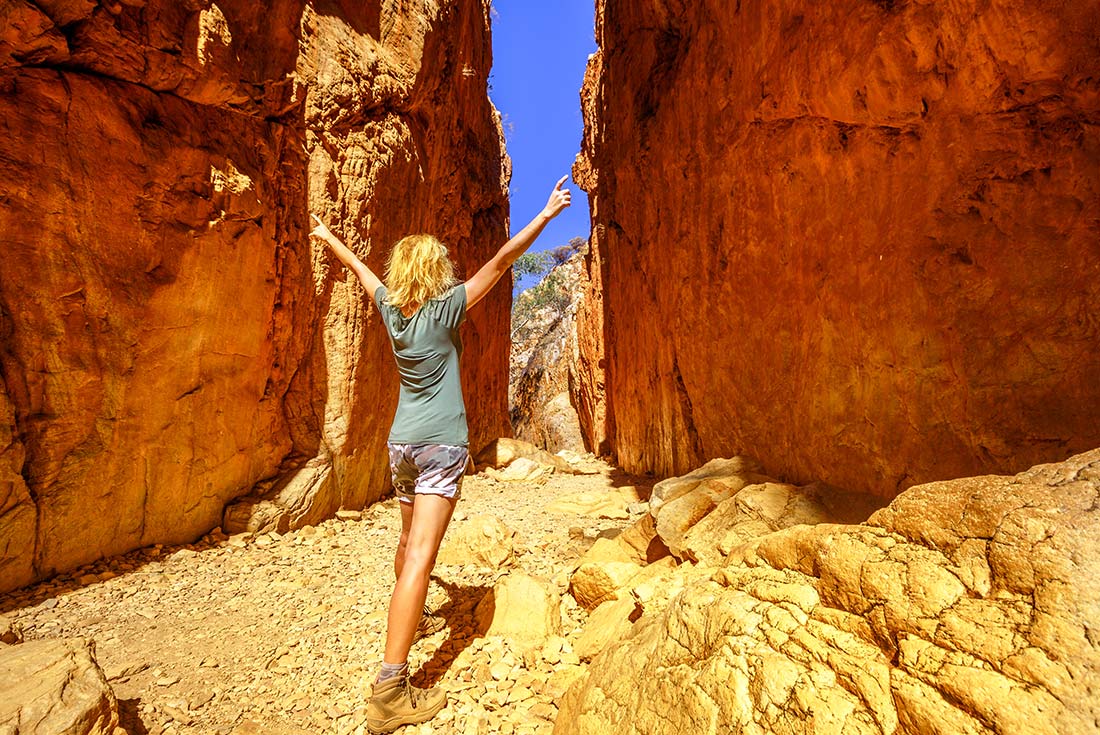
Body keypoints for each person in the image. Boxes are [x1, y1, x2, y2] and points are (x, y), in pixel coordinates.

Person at [309, 176, 572, 734]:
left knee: (407, 546)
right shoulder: (447, 308)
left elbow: (364, 274)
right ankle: (389, 688)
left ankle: (410, 615)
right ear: (436, 272)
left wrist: (329, 237)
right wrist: (546, 215)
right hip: (439, 446)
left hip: (400, 444)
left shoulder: (393, 313)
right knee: (422, 558)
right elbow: (501, 262)